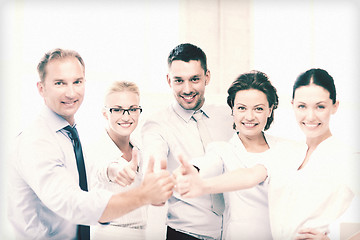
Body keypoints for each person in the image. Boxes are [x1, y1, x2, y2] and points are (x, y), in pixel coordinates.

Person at [7, 48, 175, 240]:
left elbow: (85, 171)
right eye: (60, 83)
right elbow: (71, 202)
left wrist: (111, 170)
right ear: (41, 88)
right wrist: (143, 195)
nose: (71, 92)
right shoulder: (36, 140)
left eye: (77, 82)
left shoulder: (67, 134)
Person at [175, 68, 359, 240]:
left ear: (334, 106)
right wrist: (201, 184)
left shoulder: (347, 157)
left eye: (320, 107)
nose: (310, 116)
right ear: (293, 105)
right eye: (302, 106)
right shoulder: (292, 152)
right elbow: (251, 175)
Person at [174, 70, 306, 239]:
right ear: (233, 110)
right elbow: (207, 163)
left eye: (258, 109)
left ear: (270, 109)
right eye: (242, 108)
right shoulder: (222, 150)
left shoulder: (287, 148)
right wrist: (192, 171)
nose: (249, 117)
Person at [141, 43, 234, 239]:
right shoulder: (157, 124)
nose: (187, 89)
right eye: (179, 80)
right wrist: (154, 178)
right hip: (185, 234)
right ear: (168, 80)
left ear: (207, 77)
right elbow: (154, 159)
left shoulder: (229, 117)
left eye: (194, 79)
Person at [86, 81, 147, 239]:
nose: (126, 117)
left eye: (133, 109)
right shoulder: (95, 149)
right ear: (105, 113)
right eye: (118, 110)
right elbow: (104, 169)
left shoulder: (141, 147)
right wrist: (114, 171)